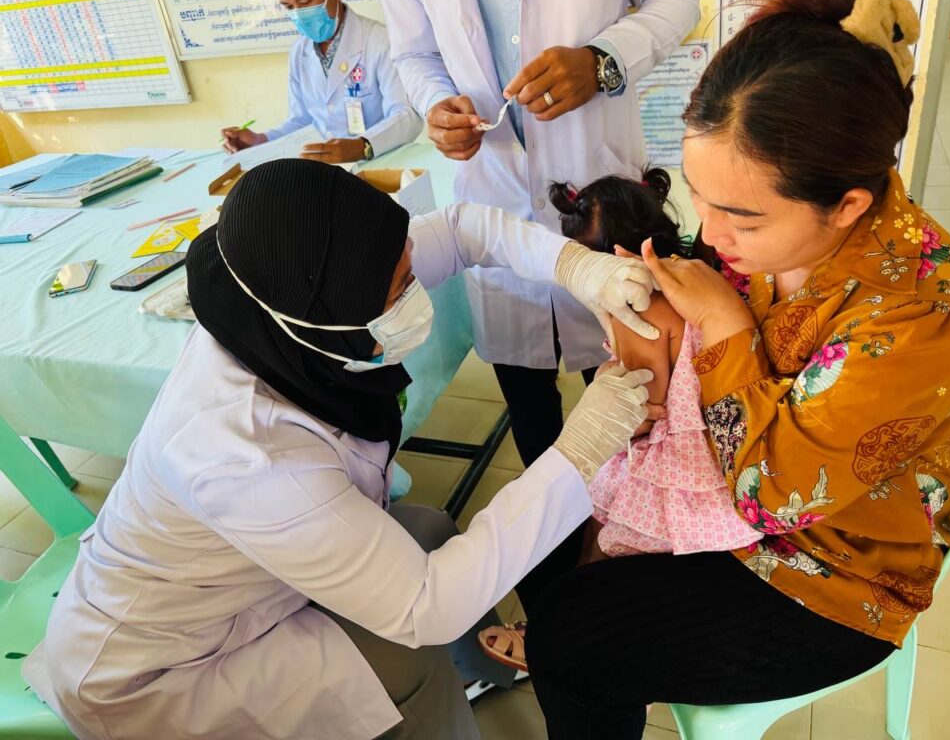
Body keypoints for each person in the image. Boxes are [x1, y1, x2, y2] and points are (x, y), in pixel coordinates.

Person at [513, 0, 950, 737]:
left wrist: (720, 320)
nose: (711, 236)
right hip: (737, 499)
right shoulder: (792, 232)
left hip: (828, 570)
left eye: (741, 218)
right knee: (554, 548)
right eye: (700, 198)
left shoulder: (919, 318)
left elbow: (769, 497)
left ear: (847, 205)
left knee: (571, 639)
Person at [22, 159, 662, 740]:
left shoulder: (280, 295)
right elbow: (428, 607)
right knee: (409, 656)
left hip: (246, 577)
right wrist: (582, 449)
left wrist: (577, 266)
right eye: (401, 287)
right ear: (328, 320)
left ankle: (483, 672)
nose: (416, 295)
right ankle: (437, 707)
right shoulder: (244, 453)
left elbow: (461, 229)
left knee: (431, 529)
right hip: (168, 667)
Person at [378, 0, 702, 469]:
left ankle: (633, 507)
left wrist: (602, 60)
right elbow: (414, 52)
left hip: (600, 190)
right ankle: (551, 512)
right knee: (529, 407)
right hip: (493, 186)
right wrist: (435, 104)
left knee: (637, 395)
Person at [477, 169, 761, 671]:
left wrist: (600, 412)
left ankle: (569, 647)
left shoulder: (640, 309)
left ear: (611, 259)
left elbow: (643, 411)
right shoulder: (694, 273)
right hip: (720, 451)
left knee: (602, 541)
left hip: (673, 462)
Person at [221, 0, 421, 165]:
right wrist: (261, 141)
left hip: (380, 165)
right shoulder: (299, 52)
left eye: (305, 2)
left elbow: (406, 115)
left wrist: (363, 146)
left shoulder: (380, 41)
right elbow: (301, 122)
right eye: (288, 7)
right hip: (323, 172)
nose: (298, 15)